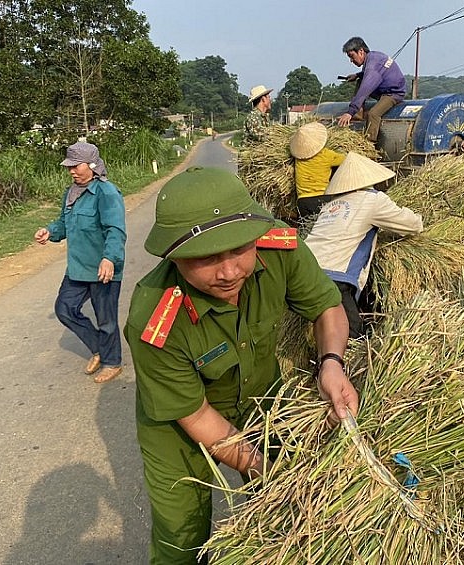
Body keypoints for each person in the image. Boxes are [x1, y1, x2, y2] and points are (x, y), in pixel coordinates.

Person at [124, 167, 359, 564]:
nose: (229, 272)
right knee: (182, 532)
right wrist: (259, 467)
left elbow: (327, 308)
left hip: (262, 399)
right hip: (180, 423)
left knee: (285, 512)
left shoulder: (280, 250)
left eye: (238, 250)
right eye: (207, 259)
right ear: (174, 256)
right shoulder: (155, 321)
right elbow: (196, 415)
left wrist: (331, 364)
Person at [34, 142, 126, 384]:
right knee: (64, 309)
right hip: (78, 268)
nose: (72, 171)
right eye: (69, 167)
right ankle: (99, 348)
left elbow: (115, 230)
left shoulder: (107, 193)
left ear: (92, 165)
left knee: (106, 320)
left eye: (76, 166)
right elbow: (64, 224)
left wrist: (110, 259)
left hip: (102, 269)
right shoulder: (71, 193)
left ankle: (111, 361)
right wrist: (50, 232)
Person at [305, 152, 423, 338]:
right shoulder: (373, 199)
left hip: (306, 268)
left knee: (322, 327)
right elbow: (411, 225)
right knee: (351, 333)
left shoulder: (331, 204)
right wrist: (419, 218)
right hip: (334, 276)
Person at [336, 37, 406, 143]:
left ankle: (369, 144)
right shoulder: (373, 57)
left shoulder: (372, 66)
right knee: (360, 80)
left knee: (373, 114)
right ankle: (358, 114)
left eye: (352, 56)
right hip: (383, 88)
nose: (351, 61)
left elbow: (365, 89)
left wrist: (350, 112)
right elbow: (376, 73)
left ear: (361, 51)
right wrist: (357, 75)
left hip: (393, 93)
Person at [289, 122, 346, 219]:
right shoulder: (326, 155)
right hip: (322, 199)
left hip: (302, 202)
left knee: (306, 231)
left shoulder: (298, 158)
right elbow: (346, 160)